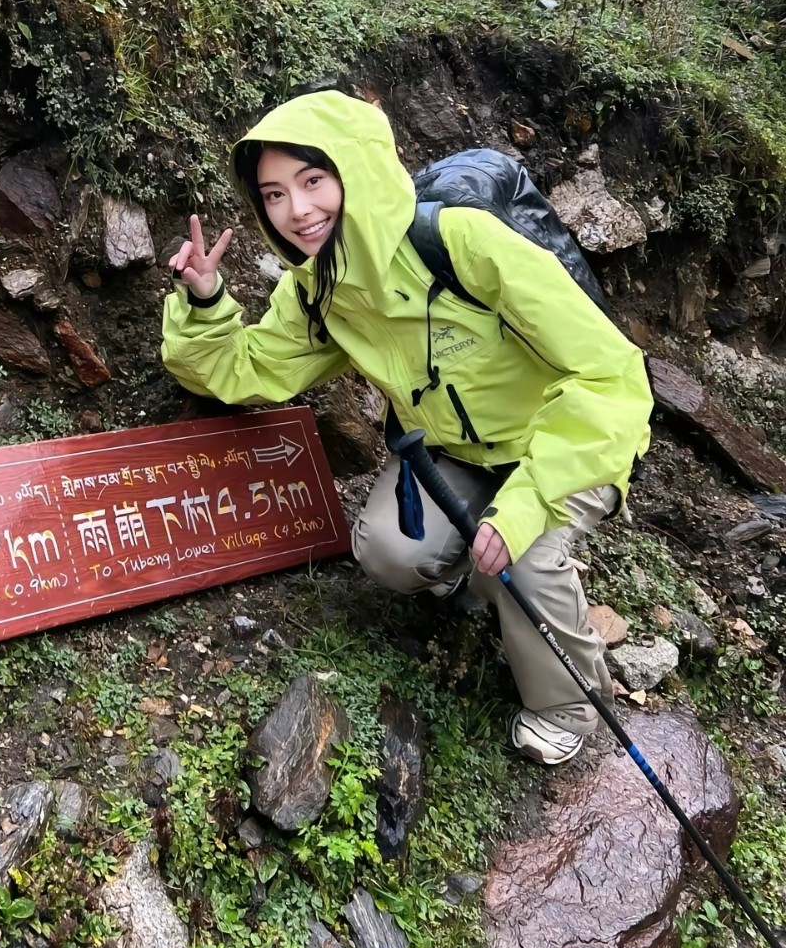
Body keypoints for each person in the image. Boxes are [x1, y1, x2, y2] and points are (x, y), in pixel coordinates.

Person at [161, 89, 653, 766]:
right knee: (390, 554)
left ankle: (565, 703)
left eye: (312, 180)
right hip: (454, 452)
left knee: (527, 557)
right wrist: (207, 301)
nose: (297, 211)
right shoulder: (321, 288)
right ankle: (479, 576)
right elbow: (246, 369)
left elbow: (610, 376)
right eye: (273, 194)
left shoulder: (459, 241)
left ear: (354, 172)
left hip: (562, 441)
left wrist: (526, 504)